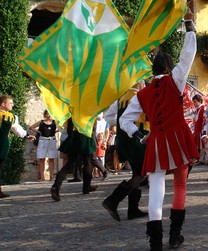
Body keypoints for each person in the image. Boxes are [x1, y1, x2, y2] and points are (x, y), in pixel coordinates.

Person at [120, 14, 199, 250]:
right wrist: (189, 27)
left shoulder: (141, 94)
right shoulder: (175, 80)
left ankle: (155, 241)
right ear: (168, 66)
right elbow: (187, 55)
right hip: (178, 137)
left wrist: (138, 135)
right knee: (180, 186)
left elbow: (125, 120)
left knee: (156, 189)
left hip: (155, 141)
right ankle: (175, 236)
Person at [102, 81, 149, 222]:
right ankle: (113, 200)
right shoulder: (141, 96)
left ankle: (133, 209)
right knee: (143, 172)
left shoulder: (121, 98)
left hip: (124, 138)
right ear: (139, 82)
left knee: (137, 171)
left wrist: (118, 125)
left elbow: (108, 117)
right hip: (139, 137)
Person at [50, 118, 98, 201]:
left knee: (70, 164)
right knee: (87, 162)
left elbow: (68, 127)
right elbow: (92, 127)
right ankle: (86, 187)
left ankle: (56, 186)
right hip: (85, 136)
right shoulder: (88, 108)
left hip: (74, 137)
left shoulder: (73, 108)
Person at [0, 95, 35, 198]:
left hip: (3, 144)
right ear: (3, 104)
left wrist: (27, 135)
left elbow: (17, 129)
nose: (12, 105)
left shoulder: (11, 117)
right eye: (10, 103)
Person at [192, 94, 208, 181]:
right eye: (193, 102)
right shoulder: (197, 110)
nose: (194, 103)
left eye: (195, 102)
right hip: (198, 133)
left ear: (199, 101)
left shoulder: (205, 109)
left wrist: (205, 134)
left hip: (204, 133)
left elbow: (207, 122)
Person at [29, 110, 58, 181]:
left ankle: (51, 176)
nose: (49, 116)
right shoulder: (41, 122)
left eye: (50, 114)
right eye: (47, 114)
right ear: (45, 115)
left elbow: (60, 128)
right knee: (42, 159)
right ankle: (42, 177)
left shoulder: (55, 122)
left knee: (51, 158)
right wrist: (39, 132)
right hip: (43, 140)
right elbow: (31, 127)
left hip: (51, 140)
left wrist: (55, 132)